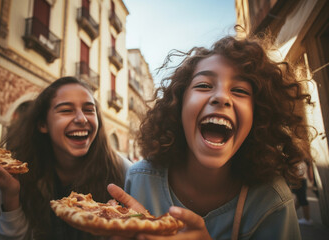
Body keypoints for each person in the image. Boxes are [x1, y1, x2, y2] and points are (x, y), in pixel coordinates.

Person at [108, 33, 315, 240]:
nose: (221, 97)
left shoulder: (272, 201)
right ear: (178, 106)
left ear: (258, 115)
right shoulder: (140, 180)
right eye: (204, 85)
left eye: (240, 90)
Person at [0, 77, 132, 240]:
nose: (82, 118)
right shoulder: (24, 172)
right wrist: (10, 194)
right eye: (66, 110)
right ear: (43, 124)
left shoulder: (125, 172)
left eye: (89, 110)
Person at [292, 159, 314, 225]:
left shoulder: (299, 160)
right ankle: (291, 214)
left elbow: (300, 172)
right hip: (301, 180)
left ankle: (307, 219)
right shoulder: (304, 160)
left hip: (299, 180)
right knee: (299, 199)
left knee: (302, 199)